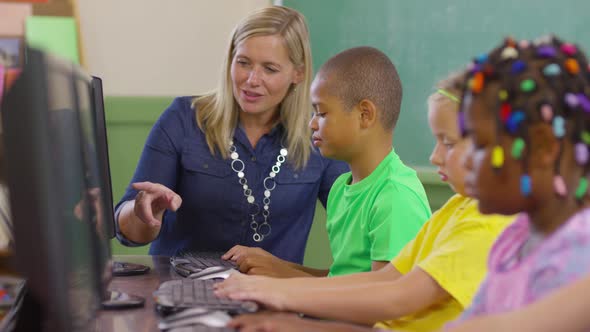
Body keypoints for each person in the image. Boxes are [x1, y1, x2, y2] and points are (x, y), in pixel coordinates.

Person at [215, 69, 513, 331]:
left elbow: (398, 298)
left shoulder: (485, 224)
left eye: (447, 143)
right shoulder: (456, 209)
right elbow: (385, 281)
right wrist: (276, 288)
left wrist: (281, 295)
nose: (434, 156)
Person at [113, 6, 349, 262]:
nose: (251, 80)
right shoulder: (183, 119)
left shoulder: (318, 135)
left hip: (272, 295)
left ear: (298, 73)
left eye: (269, 69)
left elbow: (355, 218)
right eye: (243, 63)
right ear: (230, 60)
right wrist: (144, 215)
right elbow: (128, 232)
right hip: (182, 290)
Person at [223, 46, 431, 278]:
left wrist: (282, 278)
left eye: (321, 114)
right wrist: (273, 265)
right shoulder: (342, 187)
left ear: (365, 115)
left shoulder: (395, 196)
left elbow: (380, 300)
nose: (312, 124)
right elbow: (340, 280)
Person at [445, 34, 590, 326]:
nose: (466, 159)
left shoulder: (577, 254)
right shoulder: (516, 238)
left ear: (543, 147)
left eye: (481, 144)